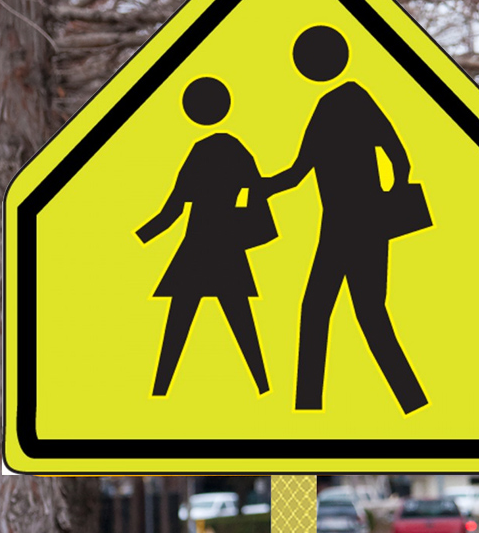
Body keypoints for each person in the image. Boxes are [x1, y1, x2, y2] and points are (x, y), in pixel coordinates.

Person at [267, 25, 428, 414]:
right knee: (353, 312)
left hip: (352, 226)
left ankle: (311, 406)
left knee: (335, 311)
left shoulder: (344, 101)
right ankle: (407, 401)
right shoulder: (341, 103)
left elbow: (296, 173)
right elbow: (398, 159)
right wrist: (257, 187)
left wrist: (259, 187)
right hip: (351, 227)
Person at [136, 76, 277, 397]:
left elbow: (172, 210)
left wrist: (140, 238)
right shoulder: (238, 151)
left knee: (177, 327)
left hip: (198, 247)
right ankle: (264, 389)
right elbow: (257, 196)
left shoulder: (200, 152)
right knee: (243, 324)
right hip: (227, 246)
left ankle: (159, 392)